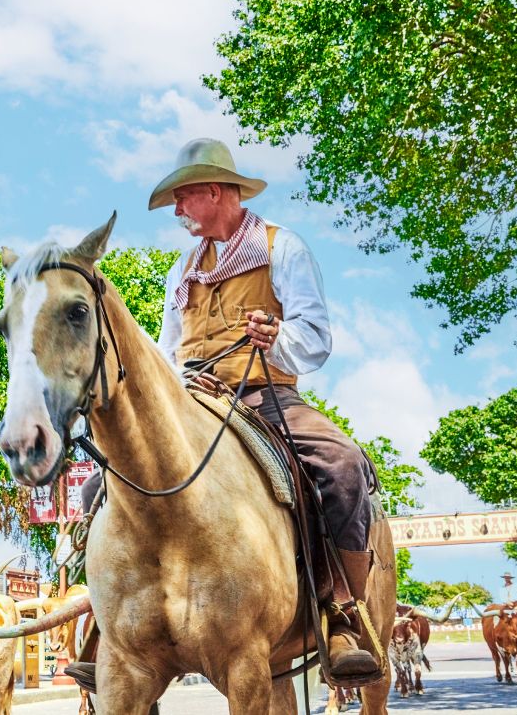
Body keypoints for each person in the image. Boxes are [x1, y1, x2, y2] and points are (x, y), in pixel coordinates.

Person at [144, 138, 378, 678]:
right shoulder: (182, 270)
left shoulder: (282, 247)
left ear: (215, 191)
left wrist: (274, 336)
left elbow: (315, 337)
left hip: (264, 397)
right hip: (193, 402)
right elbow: (167, 349)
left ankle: (342, 614)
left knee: (341, 465)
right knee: (102, 484)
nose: (178, 212)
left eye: (183, 199)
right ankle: (110, 628)